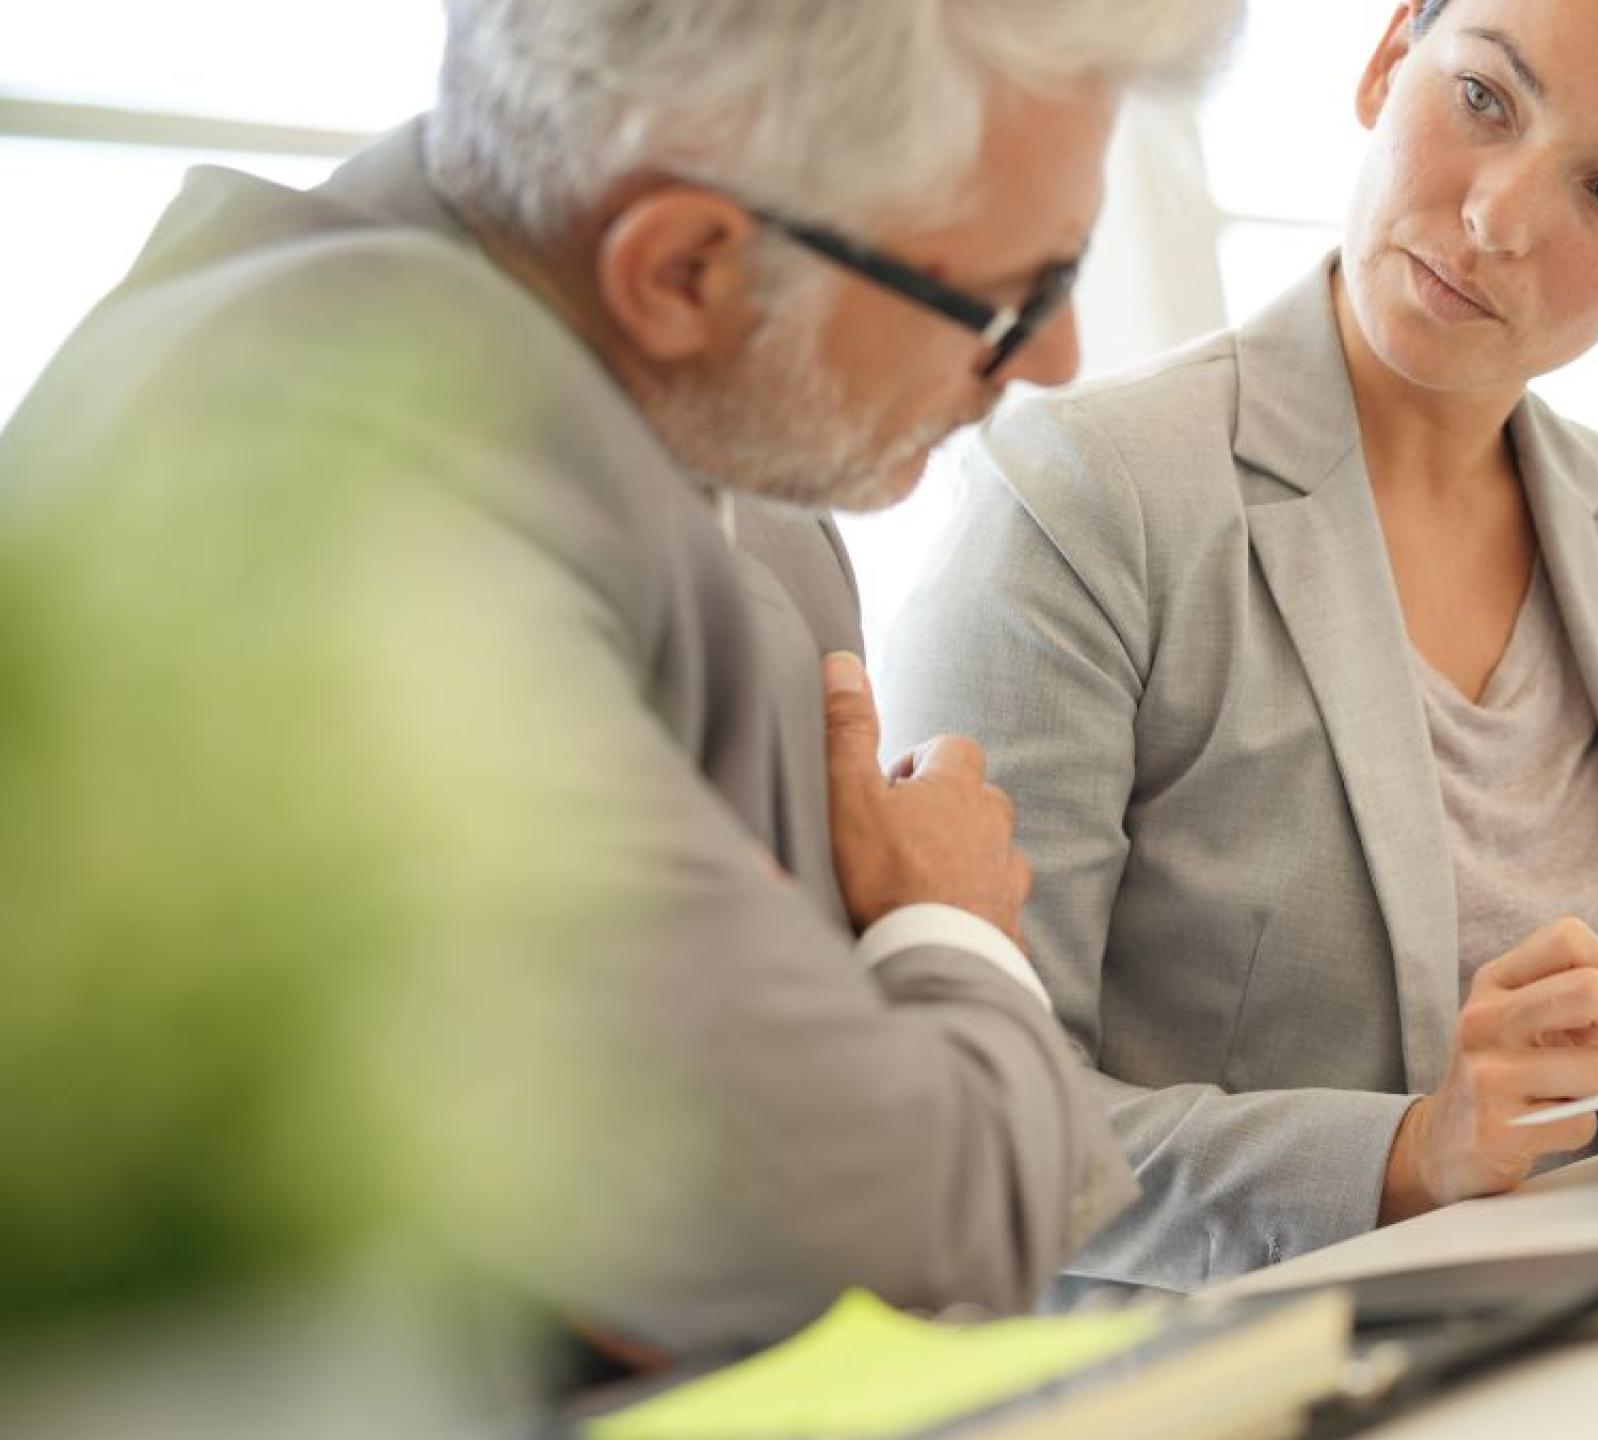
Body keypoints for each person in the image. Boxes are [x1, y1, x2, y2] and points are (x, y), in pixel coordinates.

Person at [0, 0, 1238, 1364]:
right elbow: (906, 1223)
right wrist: (951, 934)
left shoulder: (719, 467)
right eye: (1010, 301)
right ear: (683, 270)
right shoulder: (337, 519)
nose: (1055, 362)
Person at [881, 0, 1598, 1295]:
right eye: (1484, 100)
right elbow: (966, 1136)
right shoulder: (1084, 499)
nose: (1500, 217)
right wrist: (1410, 1152)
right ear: (1385, 57)